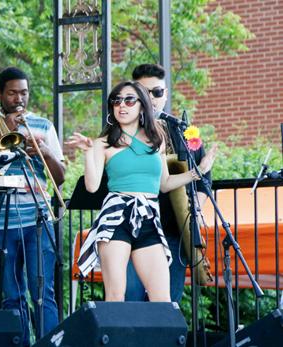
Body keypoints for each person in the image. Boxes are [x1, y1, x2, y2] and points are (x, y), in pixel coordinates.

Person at [70, 81, 215, 302]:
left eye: (129, 100)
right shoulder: (103, 143)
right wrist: (89, 153)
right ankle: (117, 336)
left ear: (142, 105)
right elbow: (91, 186)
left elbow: (164, 183)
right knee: (117, 295)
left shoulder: (157, 139)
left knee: (162, 298)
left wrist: (199, 171)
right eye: (116, 101)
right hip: (117, 218)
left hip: (148, 217)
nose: (122, 105)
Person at [0, 67, 65, 346]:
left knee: (43, 292)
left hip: (37, 219)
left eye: (23, 92)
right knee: (11, 294)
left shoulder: (43, 125)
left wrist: (45, 153)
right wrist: (2, 131)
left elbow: (59, 177)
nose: (19, 98)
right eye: (12, 93)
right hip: (1, 221)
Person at [125, 63, 217, 303]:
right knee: (130, 300)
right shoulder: (123, 131)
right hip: (136, 229)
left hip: (174, 230)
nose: (153, 99)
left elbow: (204, 178)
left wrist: (194, 204)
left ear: (165, 94)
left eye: (157, 92)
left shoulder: (187, 131)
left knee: (168, 302)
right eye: (145, 93)